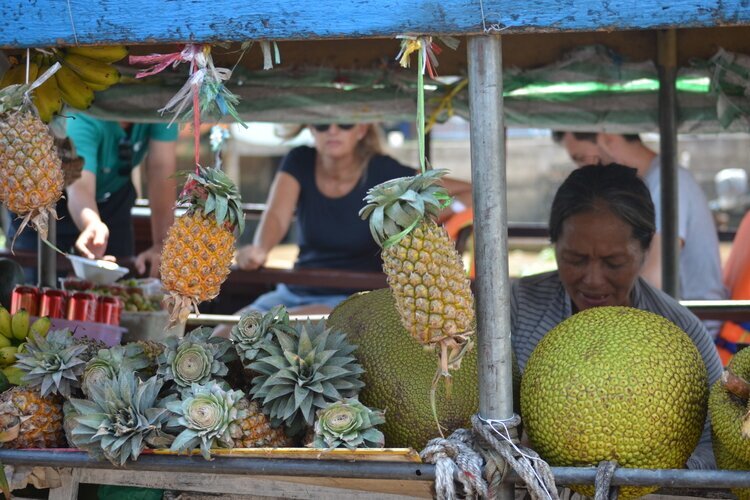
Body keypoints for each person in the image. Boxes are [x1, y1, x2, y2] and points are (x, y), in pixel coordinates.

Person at [511, 163, 722, 469]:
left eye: (614, 262)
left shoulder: (682, 333)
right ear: (554, 243)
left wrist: (655, 479)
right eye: (575, 259)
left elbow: (712, 444)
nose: (593, 279)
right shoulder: (514, 309)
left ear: (646, 247)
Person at [235, 122, 472, 315]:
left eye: (345, 124)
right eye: (322, 124)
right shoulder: (300, 160)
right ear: (310, 128)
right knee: (228, 330)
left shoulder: (384, 171)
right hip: (296, 289)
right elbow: (277, 215)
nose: (333, 130)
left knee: (280, 325)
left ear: (361, 129)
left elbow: (470, 192)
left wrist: (429, 215)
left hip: (357, 299)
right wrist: (260, 249)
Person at [552, 131, 727, 337]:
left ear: (606, 138)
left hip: (695, 328)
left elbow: (654, 279)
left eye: (583, 160)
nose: (585, 173)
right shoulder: (659, 179)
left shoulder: (667, 184)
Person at [7, 114, 178, 278]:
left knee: (117, 292)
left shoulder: (160, 102)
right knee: (37, 292)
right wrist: (92, 224)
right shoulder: (81, 115)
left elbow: (161, 169)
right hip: (50, 204)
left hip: (114, 201)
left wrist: (162, 244)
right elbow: (79, 186)